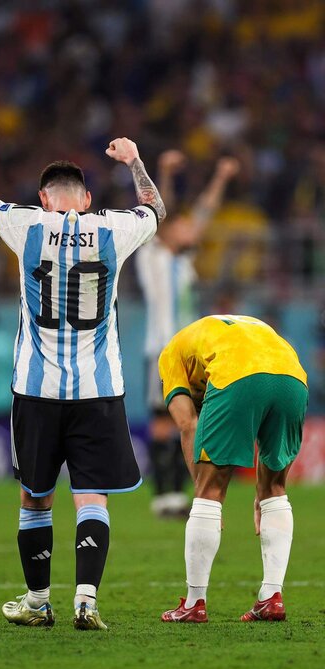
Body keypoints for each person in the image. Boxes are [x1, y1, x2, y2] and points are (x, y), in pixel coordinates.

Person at [0, 124, 165, 629]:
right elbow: (156, 210)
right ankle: (86, 600)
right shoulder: (115, 228)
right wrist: (134, 160)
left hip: (36, 389)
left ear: (44, 200)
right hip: (100, 389)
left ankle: (37, 600)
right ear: (89, 198)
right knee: (90, 494)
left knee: (36, 495)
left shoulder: (26, 224)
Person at [157, 314, 308, 622]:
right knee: (275, 490)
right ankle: (272, 597)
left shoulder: (170, 353)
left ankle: (194, 604)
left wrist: (204, 495)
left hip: (237, 375)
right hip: (293, 375)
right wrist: (259, 496)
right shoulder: (241, 327)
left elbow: (188, 424)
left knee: (209, 491)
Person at [136, 151, 239, 518]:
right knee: (163, 421)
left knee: (186, 421)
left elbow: (204, 214)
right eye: (180, 227)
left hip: (190, 353)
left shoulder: (184, 262)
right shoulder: (152, 256)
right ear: (167, 230)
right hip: (162, 350)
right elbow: (158, 212)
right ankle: (162, 494)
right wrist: (163, 173)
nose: (187, 230)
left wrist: (221, 177)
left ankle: (176, 495)